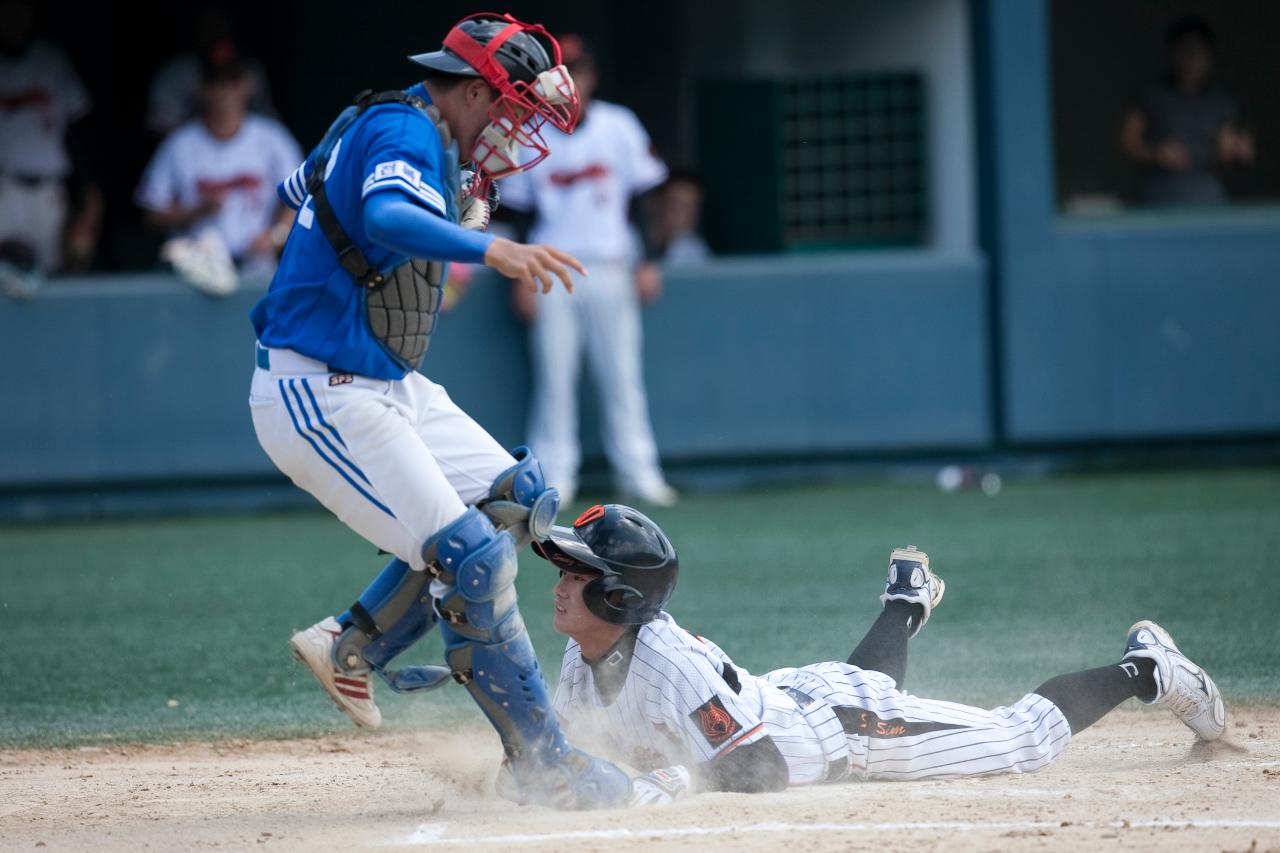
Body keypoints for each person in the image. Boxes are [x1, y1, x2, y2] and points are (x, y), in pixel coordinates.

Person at [248, 13, 634, 809]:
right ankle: (543, 763)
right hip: (318, 391)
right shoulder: (402, 126)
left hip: (383, 382)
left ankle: (351, 642)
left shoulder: (387, 123)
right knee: (477, 558)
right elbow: (386, 216)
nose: (516, 128)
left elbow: (301, 190)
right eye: (510, 107)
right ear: (467, 90)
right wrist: (491, 249)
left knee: (518, 501)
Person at [535, 504, 1226, 804]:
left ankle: (1150, 667)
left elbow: (763, 770)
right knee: (861, 681)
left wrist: (675, 781)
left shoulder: (665, 662)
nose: (561, 581)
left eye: (577, 572)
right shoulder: (582, 655)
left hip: (843, 732)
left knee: (1020, 739)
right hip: (792, 698)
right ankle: (904, 605)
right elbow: (587, 747)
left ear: (623, 598)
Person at [500, 35, 677, 508]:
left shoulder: (619, 125)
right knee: (554, 378)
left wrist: (648, 261)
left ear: (591, 76)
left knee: (621, 375)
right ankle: (555, 478)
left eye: (577, 71)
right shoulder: (528, 132)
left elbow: (641, 199)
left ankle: (640, 474)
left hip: (610, 263)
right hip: (551, 269)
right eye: (562, 73)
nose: (571, 82)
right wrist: (520, 277)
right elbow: (519, 214)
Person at [136, 55, 301, 285]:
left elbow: (302, 195)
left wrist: (276, 235)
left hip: (256, 268)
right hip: (196, 273)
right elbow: (150, 213)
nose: (224, 92)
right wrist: (194, 211)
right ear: (202, 89)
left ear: (246, 86)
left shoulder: (272, 138)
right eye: (215, 83)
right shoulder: (179, 144)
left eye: (232, 82)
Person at [0, 0, 101, 297]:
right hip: (4, 186)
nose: (14, 20)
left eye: (20, 11)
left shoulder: (50, 60)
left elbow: (77, 134)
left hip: (47, 190)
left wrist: (90, 199)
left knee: (54, 280)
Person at [1119, 16, 1255, 207]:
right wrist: (1156, 154)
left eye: (1198, 52)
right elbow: (1128, 142)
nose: (1192, 59)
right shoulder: (1151, 95)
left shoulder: (1220, 102)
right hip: (1160, 193)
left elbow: (1226, 153)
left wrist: (1237, 152)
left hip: (1205, 193)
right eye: (1186, 51)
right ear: (1172, 53)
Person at [145, 6, 277, 136]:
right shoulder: (177, 75)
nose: (224, 94)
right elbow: (158, 124)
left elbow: (269, 120)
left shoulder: (251, 71)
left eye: (232, 85)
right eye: (216, 87)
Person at [646, 170, 712, 265]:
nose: (684, 217)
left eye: (691, 209)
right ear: (654, 203)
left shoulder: (693, 249)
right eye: (677, 205)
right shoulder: (629, 240)